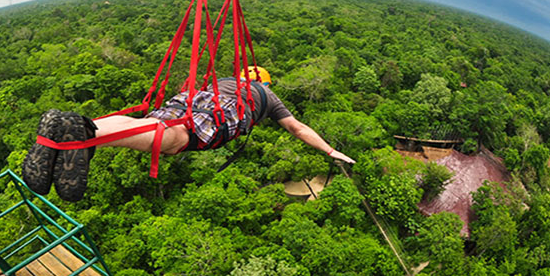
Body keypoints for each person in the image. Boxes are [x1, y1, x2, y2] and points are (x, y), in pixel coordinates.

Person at [23, 67, 356, 202]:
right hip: (220, 114)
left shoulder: (226, 80)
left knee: (154, 121)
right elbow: (298, 128)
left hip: (193, 98)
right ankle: (83, 136)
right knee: (176, 139)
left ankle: (84, 128)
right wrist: (329, 152)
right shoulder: (267, 97)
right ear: (265, 84)